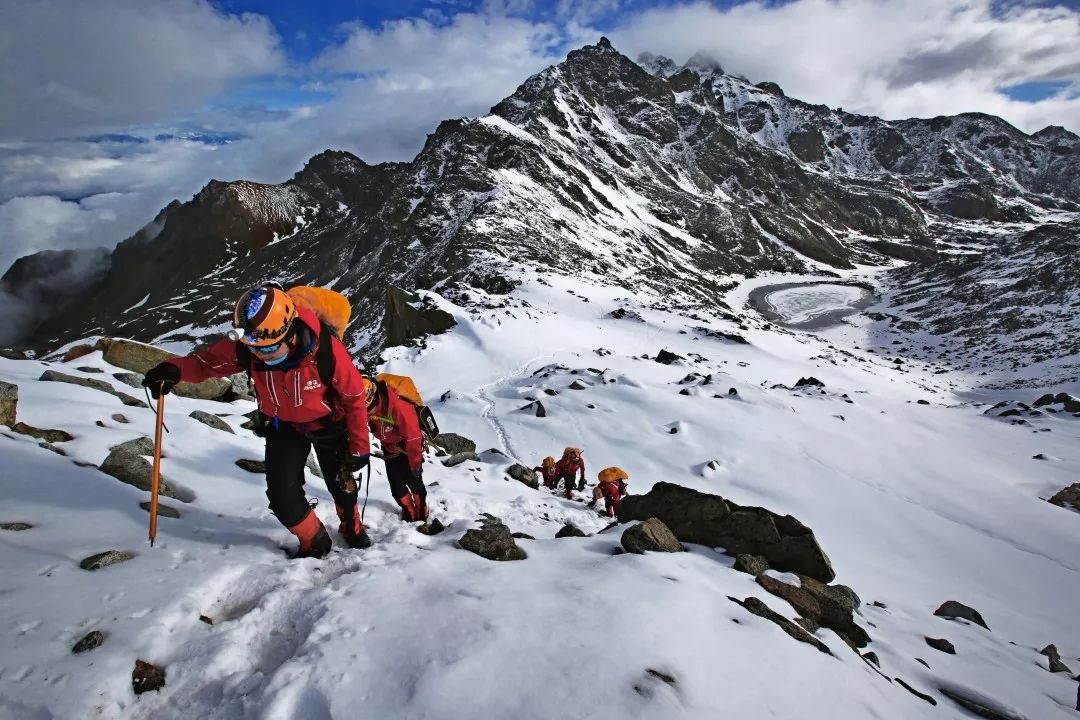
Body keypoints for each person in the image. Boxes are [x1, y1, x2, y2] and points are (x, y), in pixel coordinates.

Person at [142, 284, 372, 559]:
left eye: (270, 348)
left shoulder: (326, 351)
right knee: (282, 496)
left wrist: (359, 446)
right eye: (254, 349)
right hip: (282, 425)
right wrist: (174, 370)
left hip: (328, 424)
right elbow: (208, 363)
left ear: (290, 332)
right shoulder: (251, 343)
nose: (261, 355)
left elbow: (354, 396)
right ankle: (315, 541)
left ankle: (351, 528)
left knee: (342, 486)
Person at [363, 376, 428, 522]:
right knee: (397, 490)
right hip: (390, 449)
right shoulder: (369, 404)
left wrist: (416, 465)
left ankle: (421, 514)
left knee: (415, 484)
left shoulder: (399, 407)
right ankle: (410, 514)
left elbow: (413, 439)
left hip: (407, 450)